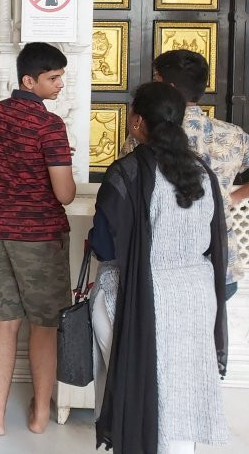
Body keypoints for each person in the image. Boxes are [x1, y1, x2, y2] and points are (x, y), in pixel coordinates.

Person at [90, 82, 228, 453]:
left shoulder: (127, 172)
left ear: (137, 121)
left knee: (144, 385)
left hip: (140, 296)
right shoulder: (202, 171)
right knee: (182, 388)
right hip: (197, 296)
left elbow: (104, 246)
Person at [0, 42, 75, 435]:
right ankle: (40, 416)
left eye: (61, 76)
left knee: (5, 321)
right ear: (28, 80)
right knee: (44, 325)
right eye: (53, 77)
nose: (60, 84)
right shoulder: (50, 126)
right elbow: (64, 193)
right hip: (40, 236)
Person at [153, 49, 249, 300]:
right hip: (219, 259)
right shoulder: (233, 134)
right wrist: (234, 196)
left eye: (156, 80)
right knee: (208, 336)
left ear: (169, 88)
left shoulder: (150, 135)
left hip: (164, 262)